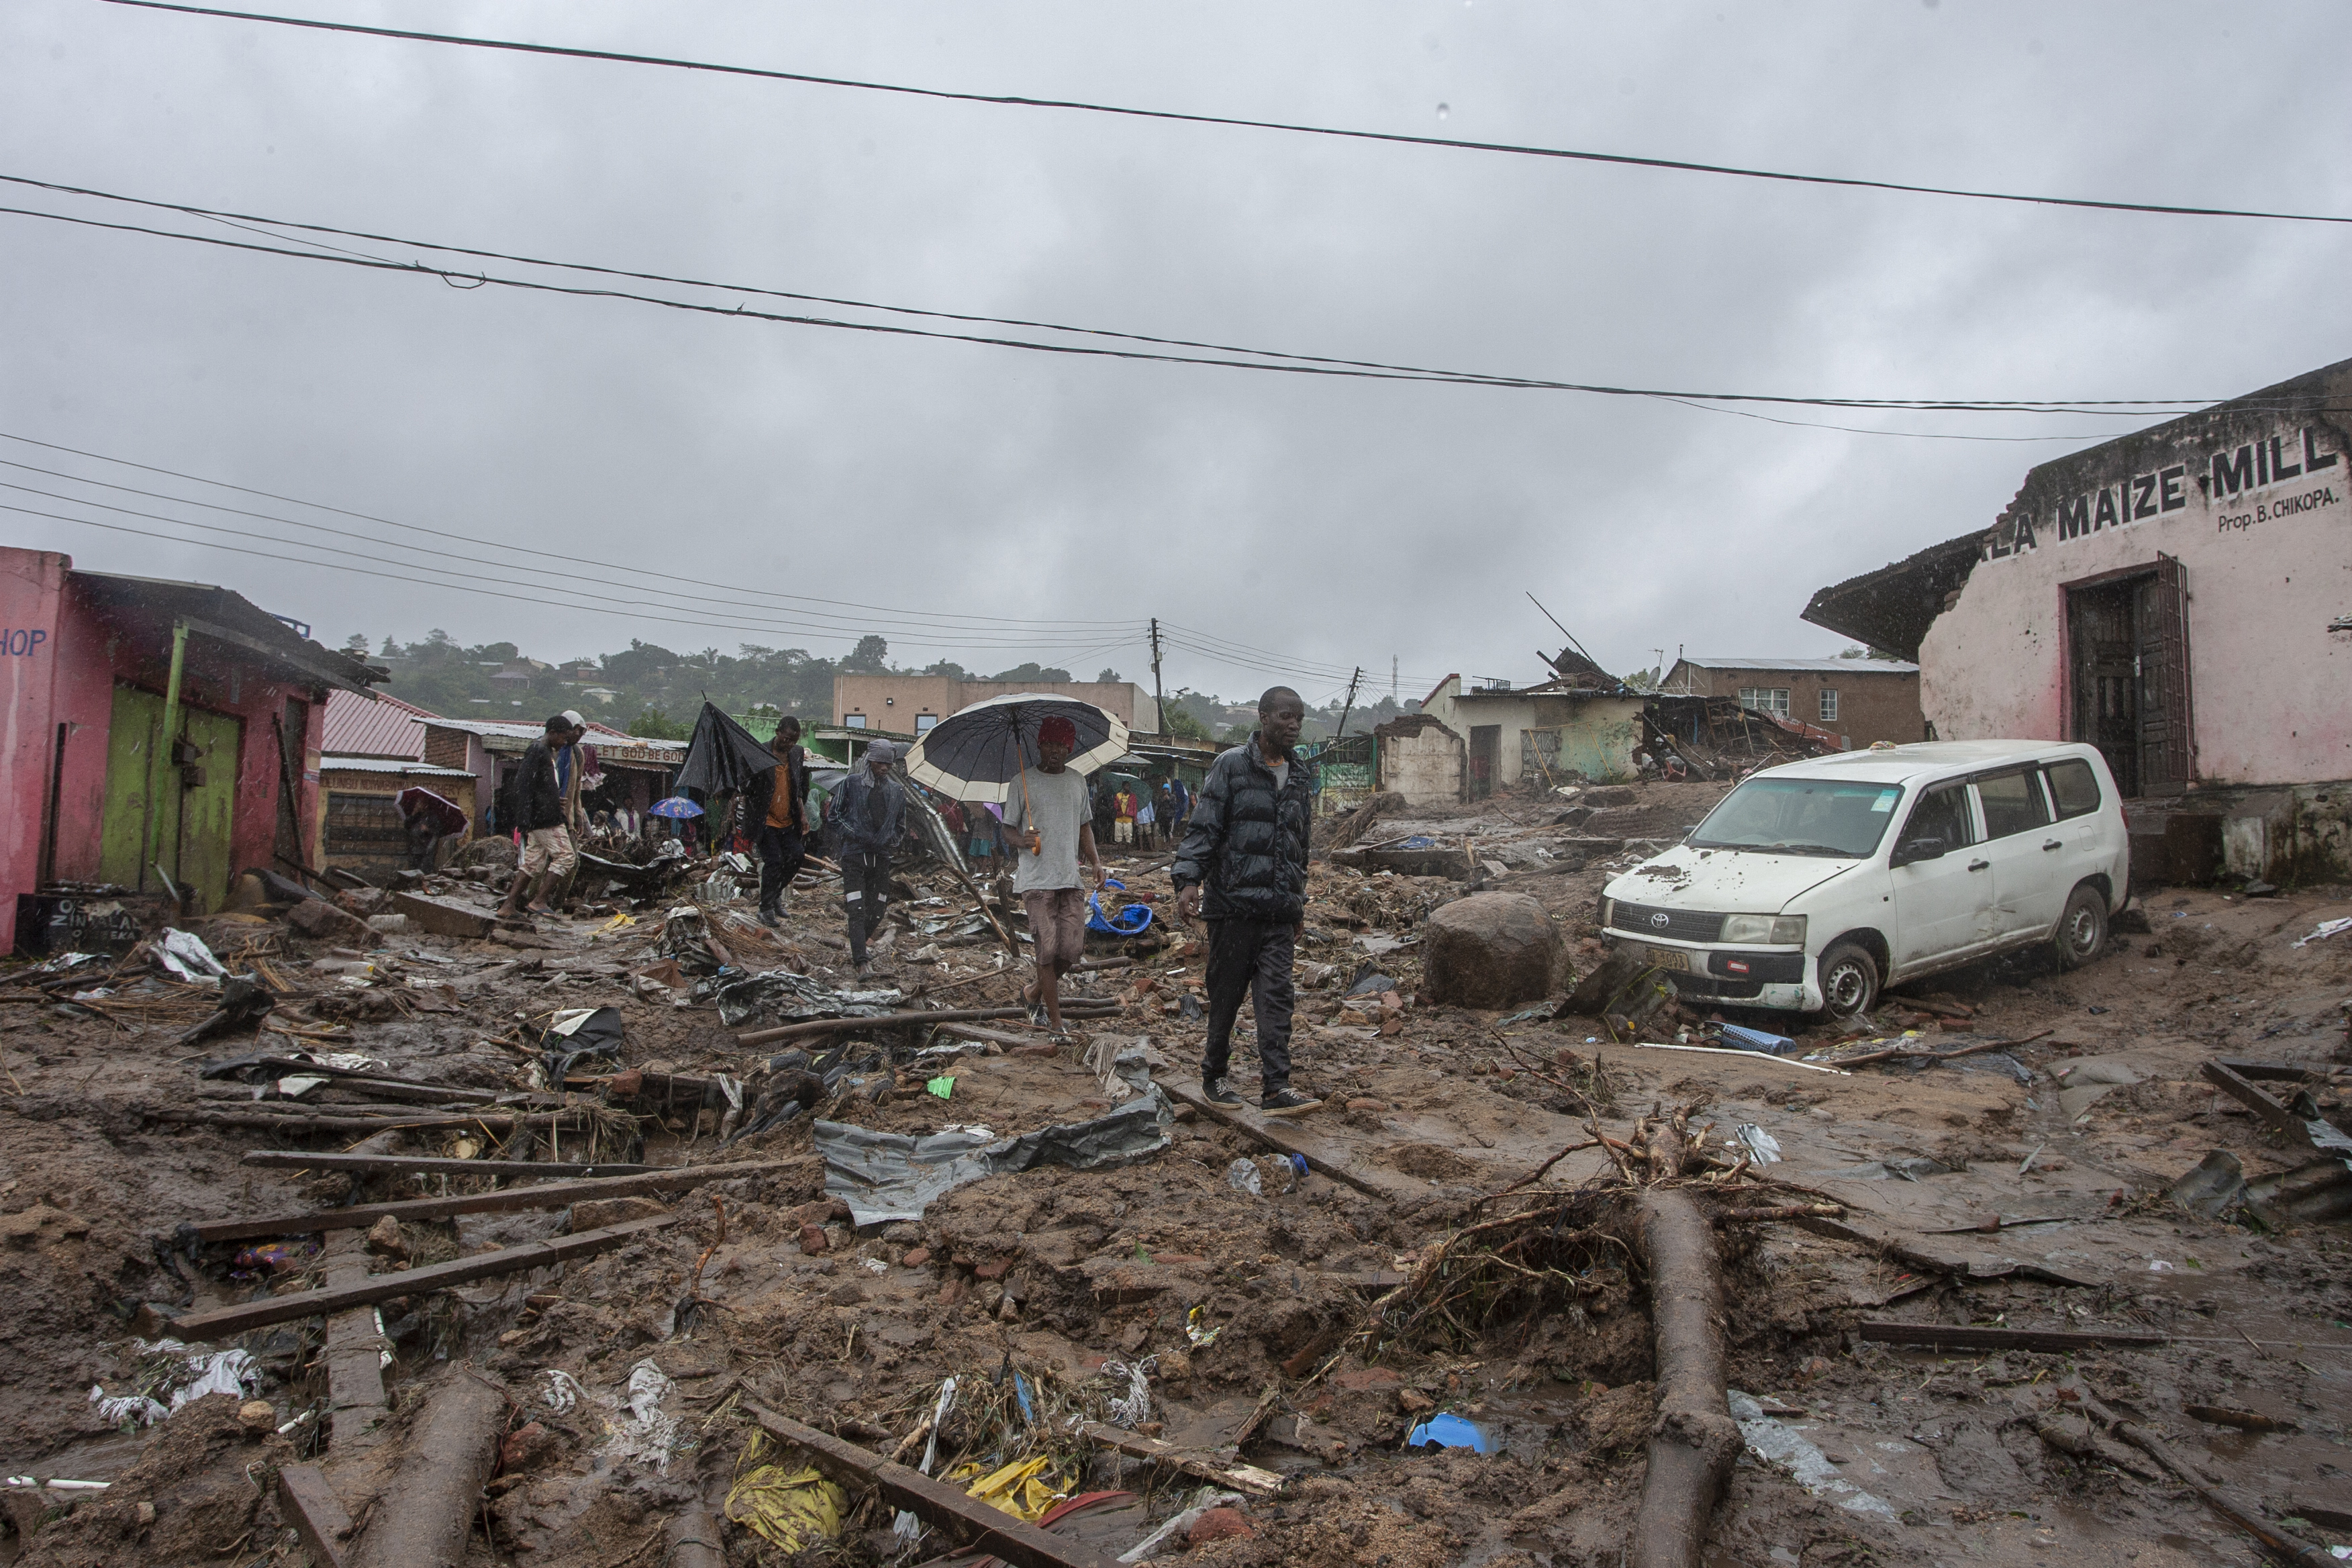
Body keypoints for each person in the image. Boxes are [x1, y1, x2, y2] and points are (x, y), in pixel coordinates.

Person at [1173, 687, 1319, 1115]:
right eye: (1285, 716)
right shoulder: (1231, 766)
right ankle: (1214, 1075)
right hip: (1234, 906)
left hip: (1278, 910)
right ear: (1262, 717)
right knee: (1227, 994)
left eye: (1299, 718)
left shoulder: (1300, 774)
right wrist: (1188, 881)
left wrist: (1298, 904)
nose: (1293, 725)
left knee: (1277, 996)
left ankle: (1276, 1088)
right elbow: (1204, 827)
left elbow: (1299, 845)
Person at [1001, 715, 1105, 1035]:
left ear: (1069, 748)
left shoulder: (1077, 781)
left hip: (1069, 878)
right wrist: (1023, 840)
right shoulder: (1023, 782)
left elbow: (1084, 825)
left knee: (1071, 952)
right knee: (1046, 952)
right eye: (1049, 744)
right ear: (1039, 745)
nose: (1055, 751)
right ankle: (1056, 1023)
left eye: (1061, 745)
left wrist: (1096, 862)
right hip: (1036, 882)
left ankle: (1033, 993)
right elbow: (1007, 829)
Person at [830, 738, 907, 971]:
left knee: (879, 908)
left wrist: (889, 841)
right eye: (879, 763)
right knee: (857, 908)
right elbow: (835, 815)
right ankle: (860, 960)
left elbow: (900, 825)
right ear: (870, 761)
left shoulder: (896, 791)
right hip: (854, 856)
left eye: (888, 764)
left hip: (881, 857)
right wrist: (855, 834)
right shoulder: (852, 784)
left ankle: (858, 943)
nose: (884, 768)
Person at [501, 714, 581, 918]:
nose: (564, 743)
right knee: (566, 857)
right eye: (563, 738)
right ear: (552, 733)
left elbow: (538, 786)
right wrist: (525, 817)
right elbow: (524, 785)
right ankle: (539, 900)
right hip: (545, 818)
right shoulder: (538, 751)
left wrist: (553, 799)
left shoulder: (543, 751)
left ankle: (508, 906)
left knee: (533, 862)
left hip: (541, 815)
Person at [740, 718, 810, 927]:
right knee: (774, 861)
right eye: (786, 739)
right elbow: (747, 787)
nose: (789, 744)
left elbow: (797, 787)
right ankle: (765, 909)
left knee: (797, 856)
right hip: (766, 820)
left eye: (793, 741)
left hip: (788, 819)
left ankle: (775, 895)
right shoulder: (760, 753)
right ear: (778, 732)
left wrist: (803, 814)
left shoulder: (797, 754)